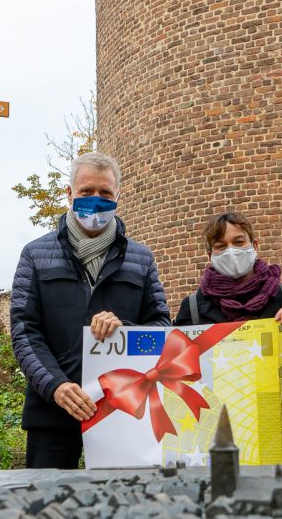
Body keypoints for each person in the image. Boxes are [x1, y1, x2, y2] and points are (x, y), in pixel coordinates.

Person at [10, 152, 171, 469]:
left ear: (117, 198)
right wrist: (55, 386)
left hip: (122, 410)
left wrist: (123, 329)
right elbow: (25, 331)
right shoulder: (35, 254)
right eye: (86, 192)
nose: (96, 200)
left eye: (105, 193)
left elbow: (162, 329)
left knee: (122, 509)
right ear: (69, 194)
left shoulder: (141, 259)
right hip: (52, 413)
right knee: (47, 508)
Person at [173, 212, 282, 325]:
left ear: (255, 246)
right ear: (211, 256)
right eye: (221, 246)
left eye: (238, 242)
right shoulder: (193, 309)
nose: (231, 251)